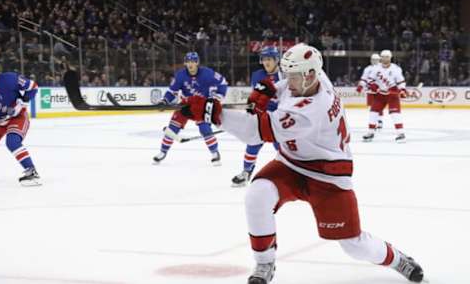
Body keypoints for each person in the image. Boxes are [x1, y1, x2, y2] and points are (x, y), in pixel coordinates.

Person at [179, 43, 424, 284]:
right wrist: (269, 88)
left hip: (328, 176)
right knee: (257, 195)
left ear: (309, 75)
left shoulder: (311, 111)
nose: (288, 80)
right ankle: (265, 262)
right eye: (286, 74)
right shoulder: (315, 77)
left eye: (293, 76)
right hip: (292, 163)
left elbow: (253, 132)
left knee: (353, 245)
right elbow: (285, 85)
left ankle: (398, 259)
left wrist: (213, 113)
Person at [153, 52, 227, 166]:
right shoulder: (180, 75)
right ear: (185, 63)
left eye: (193, 61)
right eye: (188, 61)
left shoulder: (207, 73)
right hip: (185, 105)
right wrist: (164, 101)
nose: (190, 64)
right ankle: (162, 152)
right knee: (172, 128)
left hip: (201, 105)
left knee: (205, 129)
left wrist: (218, 97)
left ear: (197, 62)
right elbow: (172, 91)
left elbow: (222, 82)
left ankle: (215, 153)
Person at [232, 46, 282, 187]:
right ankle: (246, 172)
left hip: (277, 119)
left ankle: (293, 175)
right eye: (264, 59)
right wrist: (249, 112)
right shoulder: (257, 75)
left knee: (283, 150)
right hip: (261, 118)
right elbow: (254, 97)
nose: (266, 62)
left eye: (269, 59)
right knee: (252, 144)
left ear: (276, 60)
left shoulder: (285, 75)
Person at [0, 54, 40, 186]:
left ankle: (31, 171)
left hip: (17, 117)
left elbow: (33, 86)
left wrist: (23, 101)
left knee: (12, 142)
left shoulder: (11, 79)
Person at [362, 50, 407, 143]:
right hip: (380, 95)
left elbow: (401, 82)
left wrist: (402, 90)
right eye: (383, 57)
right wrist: (375, 87)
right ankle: (370, 132)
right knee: (373, 112)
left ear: (390, 58)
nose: (384, 59)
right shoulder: (376, 68)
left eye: (386, 57)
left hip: (392, 95)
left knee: (395, 114)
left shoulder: (396, 69)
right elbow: (370, 80)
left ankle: (401, 133)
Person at [357, 53, 384, 128]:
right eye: (373, 59)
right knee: (372, 107)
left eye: (376, 60)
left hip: (379, 91)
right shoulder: (367, 69)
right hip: (369, 90)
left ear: (379, 60)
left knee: (379, 106)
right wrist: (360, 86)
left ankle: (380, 121)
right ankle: (374, 121)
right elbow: (364, 78)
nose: (374, 61)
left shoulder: (382, 68)